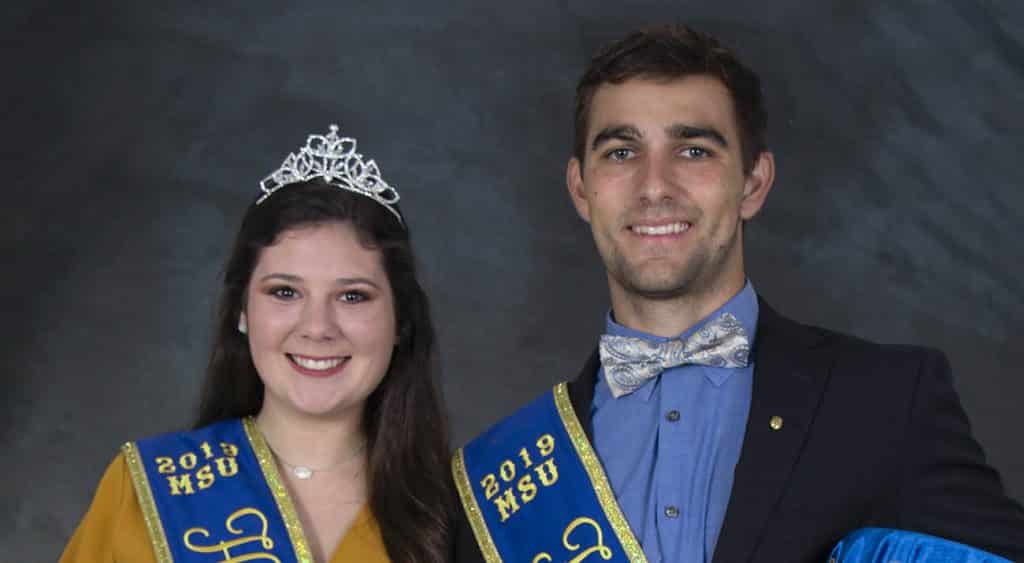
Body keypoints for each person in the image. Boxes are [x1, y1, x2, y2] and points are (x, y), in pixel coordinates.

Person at [451, 25, 1024, 562]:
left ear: (753, 183)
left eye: (694, 150)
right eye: (621, 152)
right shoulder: (497, 477)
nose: (654, 186)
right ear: (581, 189)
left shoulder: (889, 401)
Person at [62, 125, 453, 562]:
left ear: (400, 321)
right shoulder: (143, 493)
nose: (317, 327)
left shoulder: (458, 515)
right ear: (242, 311)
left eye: (352, 296)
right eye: (285, 292)